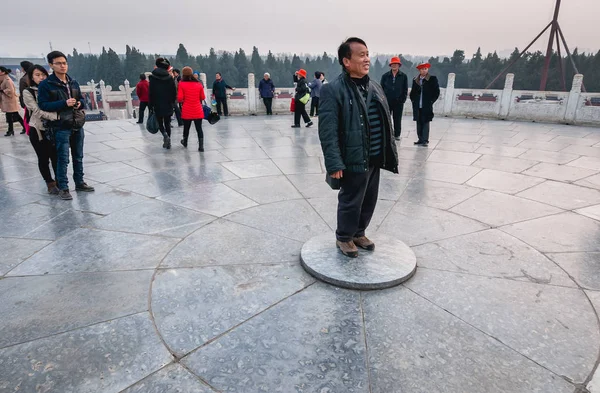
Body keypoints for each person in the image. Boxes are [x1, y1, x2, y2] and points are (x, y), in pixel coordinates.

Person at [319, 37, 399, 258]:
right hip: (352, 157)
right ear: (347, 61)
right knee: (351, 200)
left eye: (367, 54)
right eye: (361, 55)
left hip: (374, 155)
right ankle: (344, 237)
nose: (367, 59)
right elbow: (328, 131)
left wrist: (388, 152)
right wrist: (334, 162)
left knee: (369, 199)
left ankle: (359, 233)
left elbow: (385, 121)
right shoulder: (333, 90)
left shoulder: (375, 86)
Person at [38, 51, 95, 200]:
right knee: (63, 158)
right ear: (51, 65)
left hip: (77, 123)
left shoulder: (73, 82)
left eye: (64, 63)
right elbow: (43, 105)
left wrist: (79, 103)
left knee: (78, 156)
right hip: (60, 125)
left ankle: (80, 182)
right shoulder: (46, 85)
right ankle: (63, 187)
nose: (63, 66)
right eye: (59, 63)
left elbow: (82, 100)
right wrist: (64, 103)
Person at [22, 65, 59, 194]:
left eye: (43, 74)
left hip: (54, 129)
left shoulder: (52, 88)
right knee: (43, 158)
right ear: (31, 77)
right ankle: (49, 182)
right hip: (38, 130)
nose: (41, 77)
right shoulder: (28, 92)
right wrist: (55, 116)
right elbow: (36, 110)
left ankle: (59, 181)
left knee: (56, 157)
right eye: (37, 75)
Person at [409, 62, 440, 147]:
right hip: (417, 105)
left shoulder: (432, 79)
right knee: (419, 122)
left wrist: (431, 101)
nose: (424, 70)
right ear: (419, 70)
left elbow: (436, 92)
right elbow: (412, 93)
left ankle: (425, 140)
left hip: (426, 105)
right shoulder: (416, 80)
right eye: (422, 69)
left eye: (425, 69)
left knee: (426, 122)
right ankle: (420, 139)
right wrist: (413, 101)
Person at [149, 58, 177, 149]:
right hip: (168, 103)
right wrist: (173, 103)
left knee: (160, 122)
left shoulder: (152, 77)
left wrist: (150, 105)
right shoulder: (169, 78)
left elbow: (151, 92)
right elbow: (173, 92)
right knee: (167, 123)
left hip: (157, 103)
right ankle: (169, 141)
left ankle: (164, 135)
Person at [177, 66, 206, 151]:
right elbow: (203, 97)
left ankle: (185, 142)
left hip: (187, 110)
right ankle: (201, 146)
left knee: (186, 128)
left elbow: (179, 98)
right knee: (199, 128)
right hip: (197, 109)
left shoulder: (181, 84)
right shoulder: (199, 84)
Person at [380, 57, 408, 140]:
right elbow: (381, 88)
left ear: (399, 65)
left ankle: (397, 135)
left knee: (397, 119)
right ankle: (387, 134)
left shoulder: (403, 76)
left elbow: (405, 89)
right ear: (390, 65)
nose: (394, 65)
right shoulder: (385, 76)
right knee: (386, 118)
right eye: (393, 64)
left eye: (396, 64)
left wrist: (402, 100)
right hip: (387, 101)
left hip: (398, 102)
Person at [0, 66, 26, 136]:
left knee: (13, 116)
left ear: (3, 72)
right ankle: (12, 130)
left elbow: (10, 90)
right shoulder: (3, 79)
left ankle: (12, 130)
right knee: (12, 116)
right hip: (7, 101)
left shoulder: (8, 80)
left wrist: (2, 90)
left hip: (10, 101)